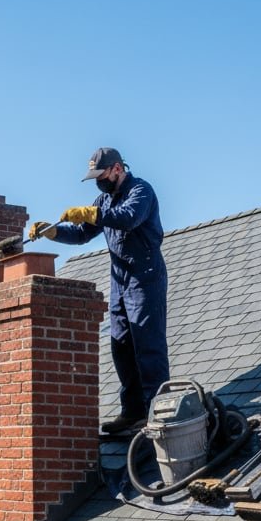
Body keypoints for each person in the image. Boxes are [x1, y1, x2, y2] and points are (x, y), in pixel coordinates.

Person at [29, 147, 169, 434]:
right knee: (121, 346)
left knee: (148, 344)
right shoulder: (104, 200)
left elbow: (127, 217)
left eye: (101, 175)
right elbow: (83, 234)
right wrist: (53, 232)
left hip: (145, 276)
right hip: (120, 280)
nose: (99, 182)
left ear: (117, 169)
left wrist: (92, 213)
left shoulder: (140, 191)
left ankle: (158, 412)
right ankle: (132, 412)